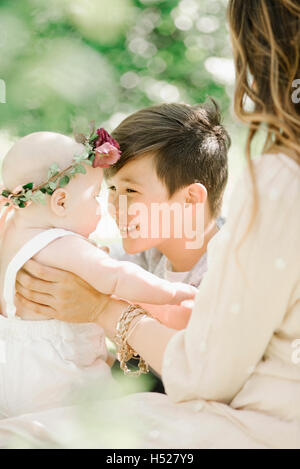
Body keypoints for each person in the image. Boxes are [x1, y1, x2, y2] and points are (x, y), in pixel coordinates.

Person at [0, 0, 300, 449]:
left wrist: (101, 309)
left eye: (132, 193)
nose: (116, 208)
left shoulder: (226, 265)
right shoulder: (145, 257)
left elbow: (203, 367)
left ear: (192, 199)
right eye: (111, 192)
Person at [0, 129, 196, 418]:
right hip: (61, 383)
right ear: (62, 202)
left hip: (15, 376)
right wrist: (171, 292)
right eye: (96, 197)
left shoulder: (10, 232)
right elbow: (116, 275)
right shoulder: (62, 244)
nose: (104, 209)